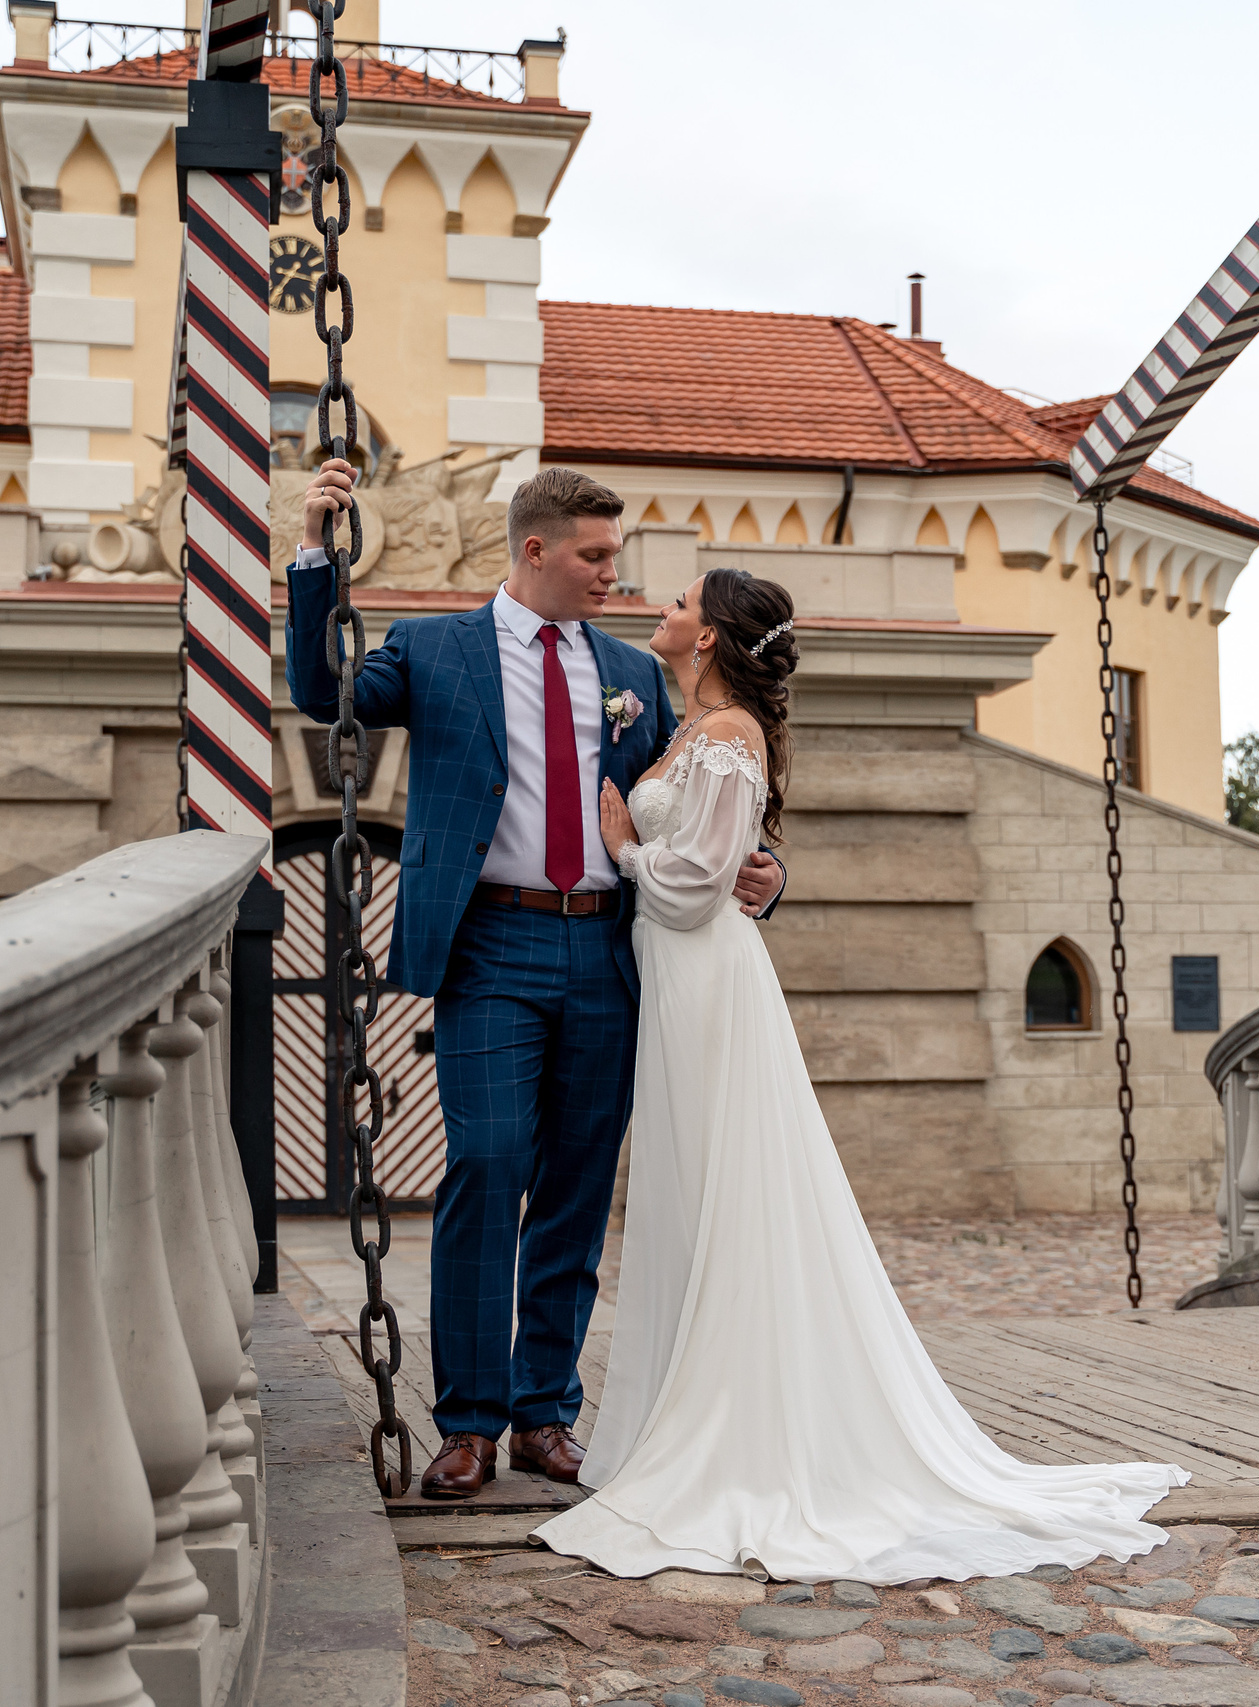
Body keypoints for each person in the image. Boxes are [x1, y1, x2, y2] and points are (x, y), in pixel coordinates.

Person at [530, 566, 1188, 1583]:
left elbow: (699, 887)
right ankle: (683, 1417)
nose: (658, 611)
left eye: (677, 603)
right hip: (671, 987)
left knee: (725, 1196)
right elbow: (725, 854)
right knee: (688, 1199)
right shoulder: (679, 723)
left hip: (704, 982)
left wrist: (621, 848)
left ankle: (740, 1437)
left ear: (706, 638)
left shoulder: (727, 736)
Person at [285, 460, 786, 1498]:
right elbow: (323, 693)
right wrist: (315, 553)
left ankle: (545, 1415)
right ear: (536, 551)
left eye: (616, 555)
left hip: (609, 946)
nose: (615, 573)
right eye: (596, 556)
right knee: (488, 1162)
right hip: (489, 947)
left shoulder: (634, 672)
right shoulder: (434, 648)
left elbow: (699, 802)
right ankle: (467, 1421)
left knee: (574, 1185)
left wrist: (766, 874)